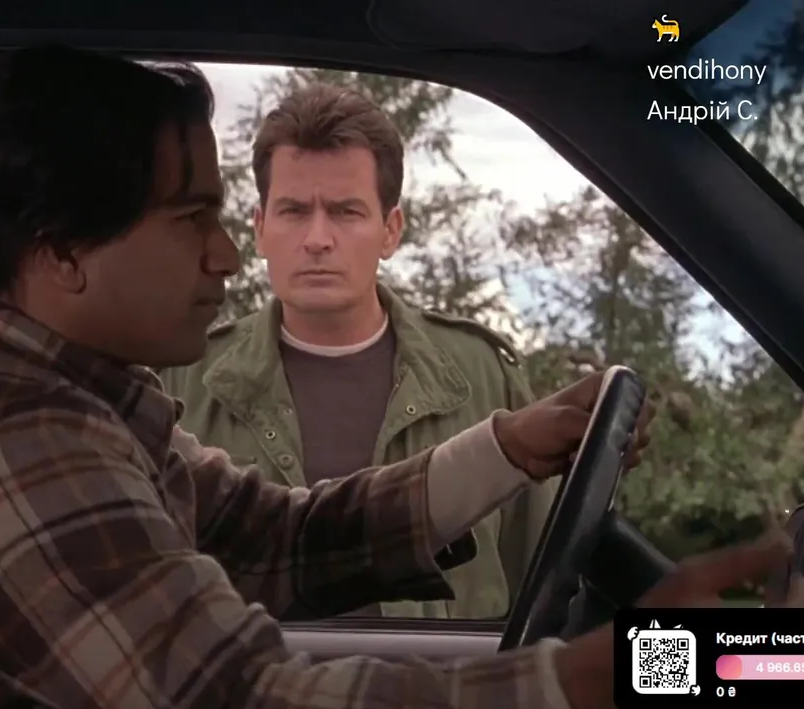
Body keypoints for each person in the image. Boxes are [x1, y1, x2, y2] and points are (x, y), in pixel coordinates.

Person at [0, 46, 789, 709]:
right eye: (192, 218)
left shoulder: (68, 404)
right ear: (63, 251)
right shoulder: (15, 444)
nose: (225, 254)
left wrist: (506, 448)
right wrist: (593, 683)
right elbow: (239, 704)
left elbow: (275, 537)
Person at [158, 83, 551, 620]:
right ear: (260, 229)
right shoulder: (181, 379)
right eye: (294, 211)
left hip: (443, 676)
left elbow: (549, 590)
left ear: (391, 231)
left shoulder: (480, 373)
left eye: (345, 212)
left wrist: (636, 653)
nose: (318, 238)